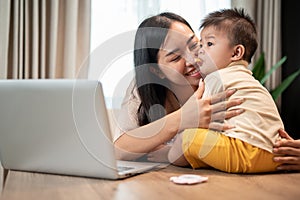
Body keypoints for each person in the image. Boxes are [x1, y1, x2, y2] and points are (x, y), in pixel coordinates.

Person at [113, 12, 245, 161]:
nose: (193, 60)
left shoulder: (222, 74)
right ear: (156, 71)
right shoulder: (143, 88)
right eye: (175, 57)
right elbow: (119, 150)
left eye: (195, 45)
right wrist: (182, 118)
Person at [168, 8, 285, 173]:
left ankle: (165, 155)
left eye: (209, 44)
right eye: (200, 44)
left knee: (186, 138)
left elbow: (201, 120)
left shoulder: (216, 78)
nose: (200, 51)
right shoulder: (250, 81)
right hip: (276, 154)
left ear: (236, 52)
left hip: (244, 152)